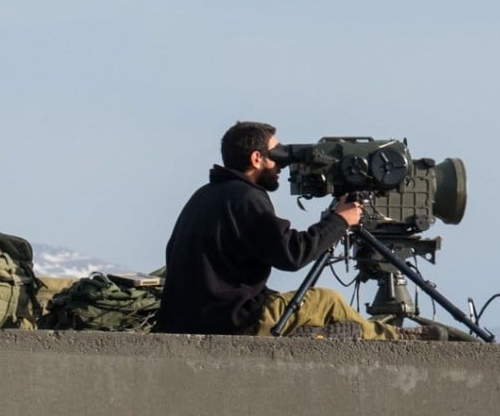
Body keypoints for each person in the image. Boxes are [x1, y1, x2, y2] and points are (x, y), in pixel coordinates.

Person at [154, 121, 443, 340]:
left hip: (187, 320)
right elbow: (292, 254)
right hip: (233, 322)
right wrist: (340, 221)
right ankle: (393, 339)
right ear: (256, 159)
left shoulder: (205, 195)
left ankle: (364, 332)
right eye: (275, 156)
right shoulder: (246, 198)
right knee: (326, 301)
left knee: (296, 304)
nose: (280, 165)